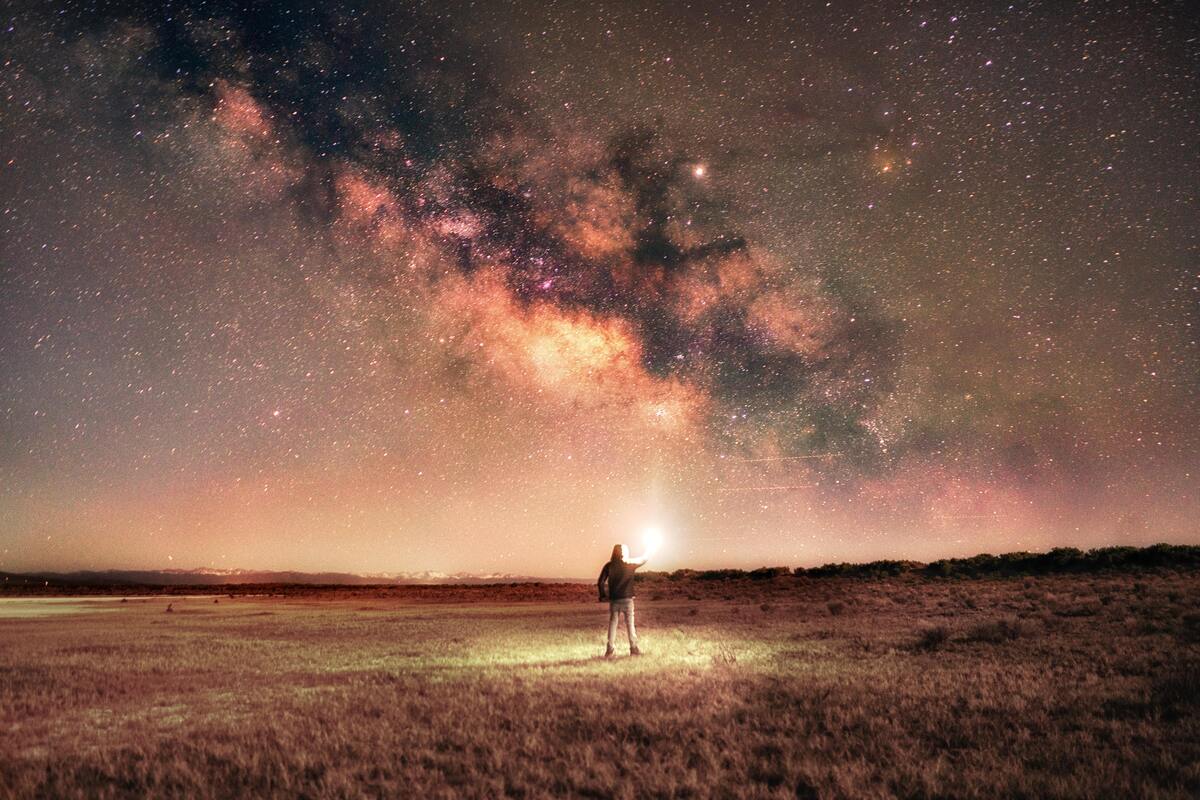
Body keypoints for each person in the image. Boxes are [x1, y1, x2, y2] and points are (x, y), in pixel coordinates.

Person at [598, 543, 648, 657]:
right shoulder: (630, 564)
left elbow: (600, 582)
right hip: (628, 599)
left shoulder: (608, 566)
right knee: (630, 624)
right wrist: (649, 549)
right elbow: (644, 559)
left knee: (612, 624)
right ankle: (634, 649)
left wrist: (603, 596)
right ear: (625, 552)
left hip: (614, 600)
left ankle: (609, 650)